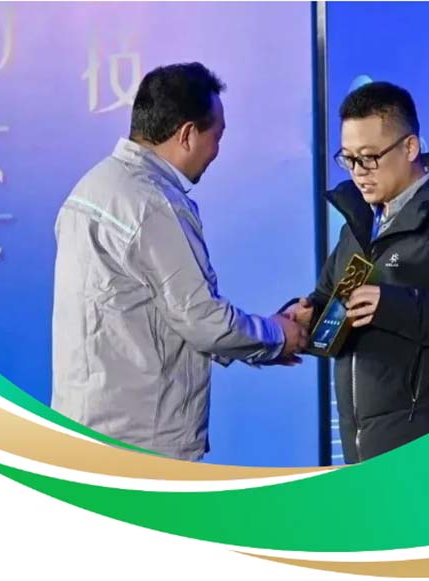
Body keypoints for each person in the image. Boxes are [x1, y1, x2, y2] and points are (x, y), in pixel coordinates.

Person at [51, 63, 307, 461]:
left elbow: (163, 313)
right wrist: (276, 336)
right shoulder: (152, 203)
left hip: (86, 431)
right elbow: (201, 319)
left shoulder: (91, 188)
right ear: (187, 134)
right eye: (216, 136)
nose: (217, 151)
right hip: (141, 444)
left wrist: (262, 339)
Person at [286, 82, 429, 463]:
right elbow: (330, 301)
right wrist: (306, 318)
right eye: (348, 159)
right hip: (361, 449)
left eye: (369, 158)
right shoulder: (359, 224)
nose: (358, 173)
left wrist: (394, 306)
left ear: (410, 148)